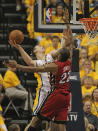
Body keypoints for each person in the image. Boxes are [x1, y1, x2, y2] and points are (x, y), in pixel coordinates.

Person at [4, 47, 71, 131]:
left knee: (41, 121)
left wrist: (17, 65)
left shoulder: (53, 62)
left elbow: (35, 69)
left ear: (59, 55)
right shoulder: (67, 62)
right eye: (39, 47)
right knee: (59, 123)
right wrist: (19, 47)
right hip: (60, 94)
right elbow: (30, 63)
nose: (42, 47)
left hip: (55, 94)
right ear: (35, 51)